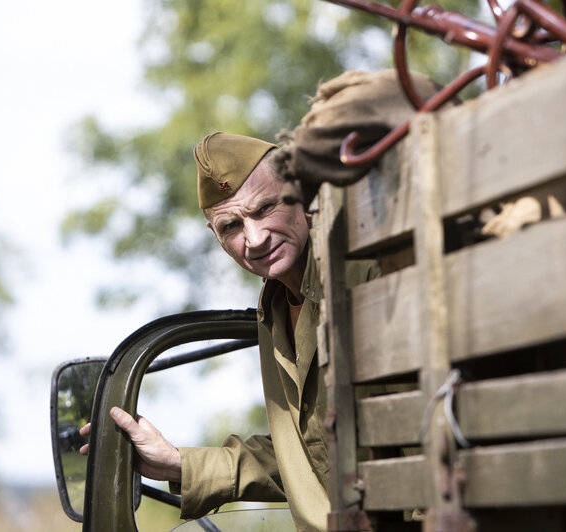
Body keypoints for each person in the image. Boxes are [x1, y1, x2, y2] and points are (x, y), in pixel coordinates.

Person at [80, 132, 379, 532]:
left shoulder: (361, 270)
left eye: (265, 207)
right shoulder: (273, 309)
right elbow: (313, 455)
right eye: (232, 225)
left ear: (303, 196)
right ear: (215, 237)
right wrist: (178, 463)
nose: (254, 239)